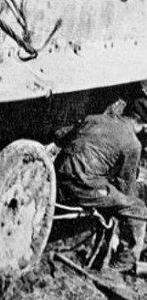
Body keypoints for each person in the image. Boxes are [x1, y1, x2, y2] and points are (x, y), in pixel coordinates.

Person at [54, 86, 147, 273]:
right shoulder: (132, 144)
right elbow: (126, 187)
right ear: (144, 125)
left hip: (56, 176)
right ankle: (122, 265)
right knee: (137, 208)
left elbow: (61, 136)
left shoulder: (94, 118)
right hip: (79, 187)